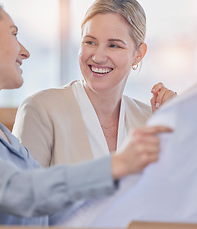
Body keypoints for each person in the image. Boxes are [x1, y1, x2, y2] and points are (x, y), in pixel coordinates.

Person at [0, 0, 171, 229]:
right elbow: (20, 191)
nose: (25, 51)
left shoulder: (4, 139)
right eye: (14, 34)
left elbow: (56, 211)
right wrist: (115, 165)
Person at [13, 0, 176, 168]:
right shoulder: (40, 110)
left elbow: (177, 188)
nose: (98, 57)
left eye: (114, 45)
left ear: (139, 54)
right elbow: (23, 190)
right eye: (90, 42)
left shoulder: (150, 120)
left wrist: (176, 127)